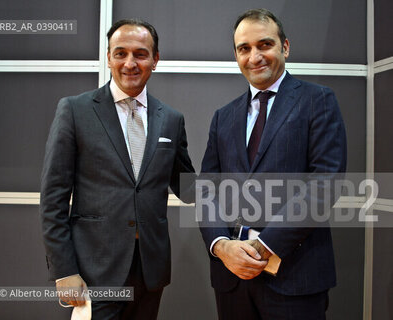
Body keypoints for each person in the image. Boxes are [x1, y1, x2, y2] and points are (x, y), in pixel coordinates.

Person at [40, 18, 195, 320]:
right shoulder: (74, 110)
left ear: (155, 60)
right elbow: (52, 199)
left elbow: (188, 188)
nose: (130, 63)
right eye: (120, 53)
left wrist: (241, 184)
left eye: (140, 54)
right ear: (108, 57)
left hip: (150, 271)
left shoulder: (171, 119)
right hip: (93, 271)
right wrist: (64, 270)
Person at [199, 8, 347, 320]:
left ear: (285, 47)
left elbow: (325, 185)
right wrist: (221, 246)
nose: (255, 57)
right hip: (232, 279)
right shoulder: (223, 117)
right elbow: (207, 191)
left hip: (296, 277)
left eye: (264, 44)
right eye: (244, 48)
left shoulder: (317, 100)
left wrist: (262, 248)